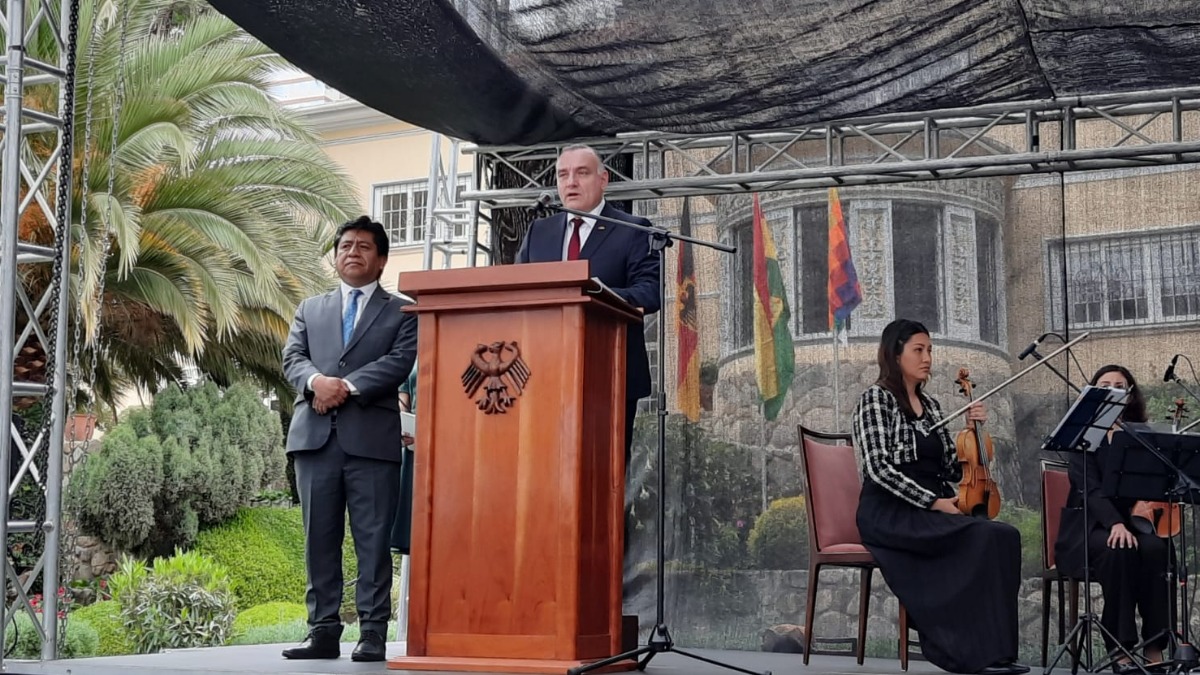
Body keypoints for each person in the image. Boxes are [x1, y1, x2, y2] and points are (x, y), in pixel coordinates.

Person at [852, 318, 1027, 675]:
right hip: (890, 511)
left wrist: (974, 432)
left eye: (929, 350)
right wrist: (933, 503)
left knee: (1004, 536)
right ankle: (964, 651)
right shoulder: (875, 400)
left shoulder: (930, 406)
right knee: (981, 536)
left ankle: (997, 651)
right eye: (918, 350)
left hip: (932, 506)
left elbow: (951, 467)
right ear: (895, 353)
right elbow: (877, 468)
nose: (927, 357)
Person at [281, 216, 417, 662]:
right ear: (335, 256)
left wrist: (344, 387)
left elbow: (399, 362)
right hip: (314, 441)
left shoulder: (402, 311)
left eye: (363, 246)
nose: (352, 252)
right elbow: (293, 359)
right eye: (345, 245)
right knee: (317, 538)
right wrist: (316, 382)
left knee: (372, 540)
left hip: (371, 443)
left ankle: (373, 632)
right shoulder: (309, 308)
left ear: (380, 262)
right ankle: (322, 631)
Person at [515, 143, 661, 465]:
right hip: (543, 376)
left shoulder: (633, 230)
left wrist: (591, 295)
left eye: (581, 173)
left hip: (609, 376)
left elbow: (649, 293)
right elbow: (516, 293)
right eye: (563, 175)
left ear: (603, 179)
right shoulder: (538, 231)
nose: (571, 183)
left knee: (602, 473)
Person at [1054, 364, 1171, 671]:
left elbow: (1149, 482)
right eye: (1105, 384)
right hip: (1087, 526)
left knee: (1157, 549)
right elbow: (1090, 490)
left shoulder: (1140, 436)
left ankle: (1156, 645)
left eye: (1120, 385)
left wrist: (1142, 504)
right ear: (1093, 393)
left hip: (1130, 525)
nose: (1113, 389)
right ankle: (1121, 648)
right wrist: (1115, 523)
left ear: (1129, 395)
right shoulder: (1079, 436)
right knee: (1118, 548)